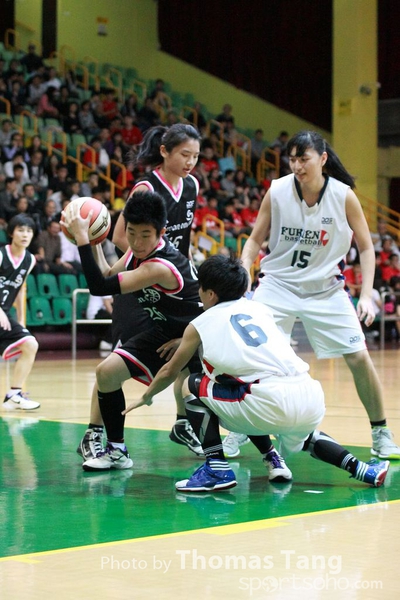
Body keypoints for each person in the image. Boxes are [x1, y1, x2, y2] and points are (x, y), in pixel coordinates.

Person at [121, 255, 389, 491]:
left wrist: (146, 396)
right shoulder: (260, 309)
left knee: (192, 386)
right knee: (299, 430)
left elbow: (169, 371)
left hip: (263, 400)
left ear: (210, 293)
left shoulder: (200, 322)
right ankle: (362, 469)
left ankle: (216, 468)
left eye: (200, 288)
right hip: (309, 396)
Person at [226, 130, 400, 461]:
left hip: (326, 289)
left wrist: (366, 295)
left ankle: (381, 433)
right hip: (278, 285)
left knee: (359, 358)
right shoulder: (278, 190)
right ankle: (241, 427)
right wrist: (244, 273)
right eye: (292, 159)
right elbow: (254, 239)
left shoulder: (343, 196)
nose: (297, 166)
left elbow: (366, 247)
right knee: (252, 358)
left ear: (322, 159)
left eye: (303, 159)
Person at [76, 123, 202, 462]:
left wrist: (171, 265)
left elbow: (180, 239)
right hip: (144, 276)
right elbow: (122, 237)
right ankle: (95, 432)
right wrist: (135, 258)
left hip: (171, 280)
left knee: (186, 357)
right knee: (116, 361)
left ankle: (185, 423)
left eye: (195, 156)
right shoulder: (146, 188)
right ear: (164, 151)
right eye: (184, 154)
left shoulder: (191, 185)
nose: (190, 162)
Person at [1, 215, 40, 411]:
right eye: (21, 230)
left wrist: (21, 319)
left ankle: (14, 395)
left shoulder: (29, 260)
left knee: (30, 344)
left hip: (5, 314)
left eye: (29, 231)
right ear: (11, 233)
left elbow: (20, 288)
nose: (25, 235)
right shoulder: (1, 255)